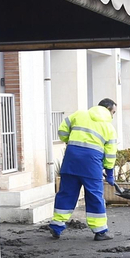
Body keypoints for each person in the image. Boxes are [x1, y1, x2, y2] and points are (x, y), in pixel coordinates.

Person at [50, 97, 118, 241]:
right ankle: (100, 231)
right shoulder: (109, 128)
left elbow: (62, 130)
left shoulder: (79, 115)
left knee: (66, 193)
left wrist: (69, 141)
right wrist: (110, 173)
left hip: (71, 161)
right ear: (108, 110)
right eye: (113, 112)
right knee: (94, 196)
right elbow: (110, 154)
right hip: (91, 165)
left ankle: (57, 225)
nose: (113, 115)